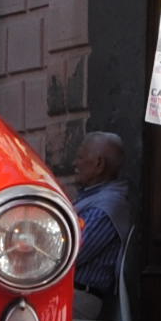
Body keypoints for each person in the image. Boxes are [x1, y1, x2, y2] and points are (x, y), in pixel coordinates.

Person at [68, 131, 130, 308]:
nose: (75, 163)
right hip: (70, 292)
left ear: (99, 164)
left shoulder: (106, 205)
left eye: (80, 157)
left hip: (80, 296)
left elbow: (71, 255)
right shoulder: (92, 197)